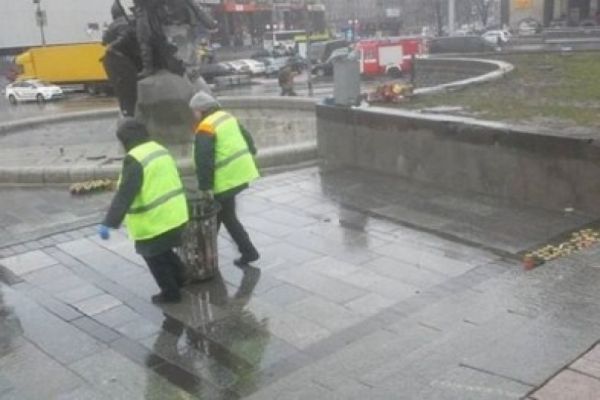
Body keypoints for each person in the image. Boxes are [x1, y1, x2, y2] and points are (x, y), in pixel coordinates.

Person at [98, 118, 189, 304]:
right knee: (164, 250)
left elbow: (125, 193)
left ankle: (171, 293)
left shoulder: (135, 159)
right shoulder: (159, 149)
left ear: (125, 141)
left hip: (153, 221)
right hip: (176, 213)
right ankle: (182, 276)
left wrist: (109, 222)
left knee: (154, 257)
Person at [189, 92, 260, 267]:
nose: (193, 115)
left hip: (224, 180)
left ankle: (204, 257)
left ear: (201, 110)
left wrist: (205, 187)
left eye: (194, 111)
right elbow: (247, 137)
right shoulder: (227, 117)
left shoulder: (206, 127)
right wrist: (252, 150)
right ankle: (244, 251)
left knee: (221, 217)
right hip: (239, 173)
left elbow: (203, 159)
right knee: (224, 216)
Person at [103, 1, 142, 116]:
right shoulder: (133, 19)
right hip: (138, 58)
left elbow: (105, 40)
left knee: (125, 89)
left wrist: (112, 45)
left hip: (125, 62)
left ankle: (128, 111)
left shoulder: (114, 25)